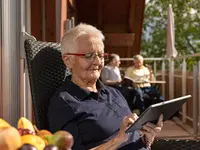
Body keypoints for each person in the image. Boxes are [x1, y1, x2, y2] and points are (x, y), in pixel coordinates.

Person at [47, 23, 163, 150]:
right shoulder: (64, 103)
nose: (97, 62)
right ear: (68, 60)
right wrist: (117, 141)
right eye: (88, 55)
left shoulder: (113, 93)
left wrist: (147, 138)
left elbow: (133, 138)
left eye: (101, 55)